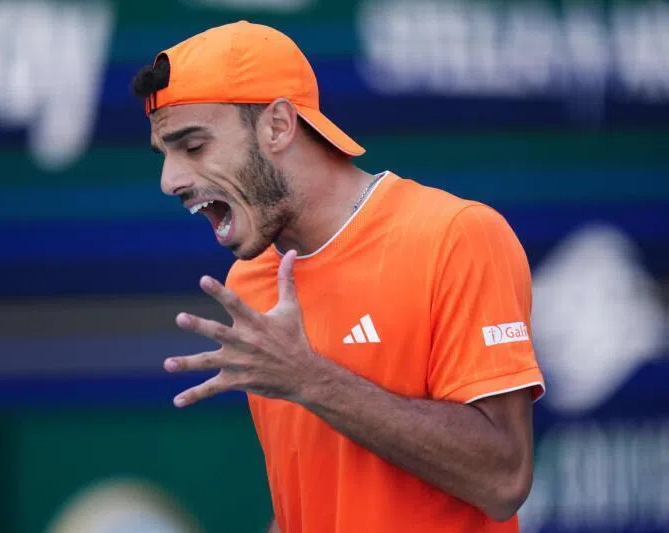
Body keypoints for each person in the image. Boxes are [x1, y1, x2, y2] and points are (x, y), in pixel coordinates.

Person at [131, 20, 545, 533]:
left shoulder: (456, 235)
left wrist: (309, 379)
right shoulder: (250, 281)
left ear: (279, 126)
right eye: (164, 155)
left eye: (193, 147)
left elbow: (503, 478)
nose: (169, 180)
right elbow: (322, 493)